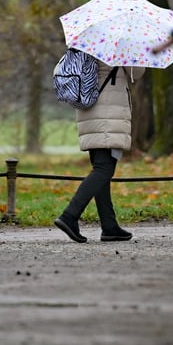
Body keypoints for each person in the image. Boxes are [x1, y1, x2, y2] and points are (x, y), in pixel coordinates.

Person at [53, 62, 142, 243]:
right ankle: (70, 216)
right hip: (108, 115)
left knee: (101, 170)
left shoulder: (87, 48)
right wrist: (135, 55)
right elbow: (137, 73)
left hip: (90, 109)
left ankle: (109, 226)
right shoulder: (118, 48)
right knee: (104, 169)